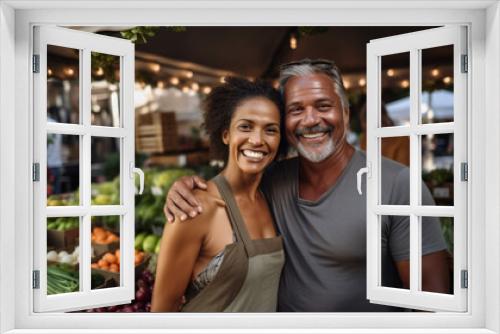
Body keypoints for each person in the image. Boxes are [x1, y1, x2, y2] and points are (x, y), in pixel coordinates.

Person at [164, 59, 450, 312]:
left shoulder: (396, 184)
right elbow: (229, 186)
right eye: (296, 109)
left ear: (346, 113)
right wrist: (183, 187)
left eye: (323, 106)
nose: (311, 120)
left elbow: (432, 301)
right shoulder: (271, 180)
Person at [151, 77, 286, 312]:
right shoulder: (197, 208)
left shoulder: (274, 195)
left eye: (271, 130)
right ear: (226, 134)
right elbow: (163, 312)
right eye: (245, 126)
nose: (257, 140)